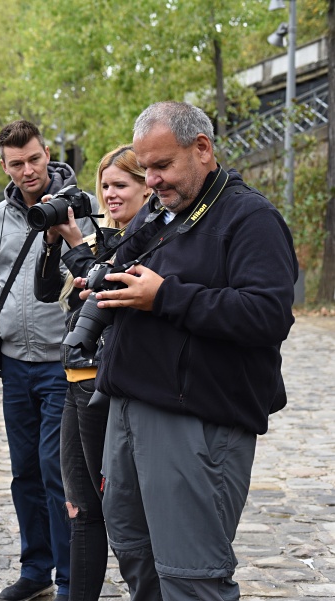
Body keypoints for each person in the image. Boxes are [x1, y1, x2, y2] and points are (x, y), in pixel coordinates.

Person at [88, 101, 297, 600]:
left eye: (162, 166)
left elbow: (269, 315)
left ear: (202, 148)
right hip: (130, 408)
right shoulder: (159, 216)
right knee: (136, 555)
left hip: (196, 420)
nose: (152, 181)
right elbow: (130, 275)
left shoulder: (252, 218)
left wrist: (164, 296)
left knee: (191, 577)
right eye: (146, 168)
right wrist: (104, 287)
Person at [0, 119, 91, 601]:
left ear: (48, 154)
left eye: (34, 159)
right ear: (4, 165)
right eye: (16, 163)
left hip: (62, 365)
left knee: (55, 470)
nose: (28, 170)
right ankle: (36, 569)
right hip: (15, 366)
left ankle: (68, 577)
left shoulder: (78, 209)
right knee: (24, 470)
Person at [35, 145, 151, 601]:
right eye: (104, 186)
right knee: (79, 509)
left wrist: (78, 249)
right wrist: (55, 242)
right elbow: (48, 291)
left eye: (120, 185)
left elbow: (110, 288)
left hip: (104, 385)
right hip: (74, 380)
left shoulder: (147, 241)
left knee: (111, 511)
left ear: (148, 188)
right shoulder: (106, 240)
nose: (110, 194)